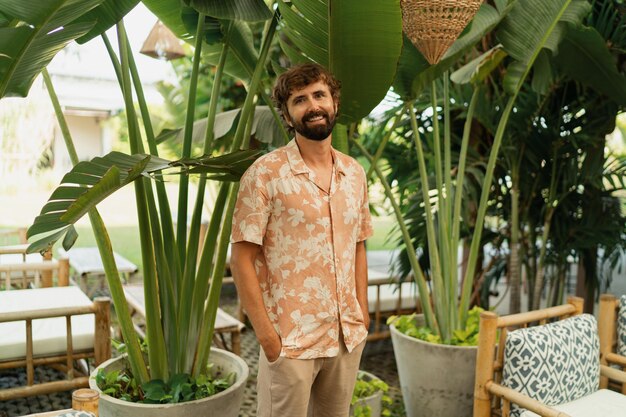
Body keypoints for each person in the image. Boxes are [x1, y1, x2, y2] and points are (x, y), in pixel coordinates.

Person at [230, 63, 373, 417]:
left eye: (319, 95)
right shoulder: (264, 174)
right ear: (287, 114)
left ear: (334, 103)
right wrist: (267, 338)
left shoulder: (354, 173)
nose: (313, 106)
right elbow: (241, 259)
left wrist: (363, 313)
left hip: (346, 337)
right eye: (300, 100)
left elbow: (358, 243)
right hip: (290, 342)